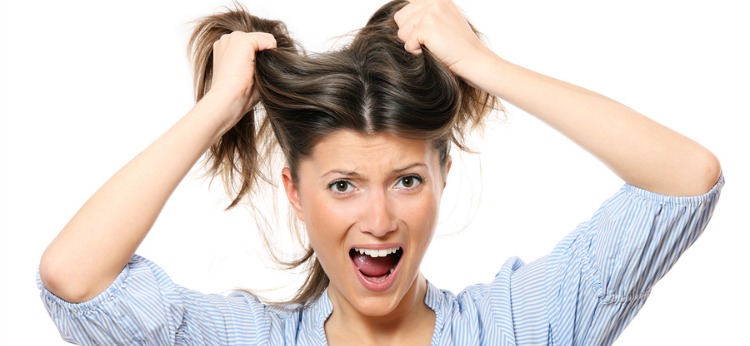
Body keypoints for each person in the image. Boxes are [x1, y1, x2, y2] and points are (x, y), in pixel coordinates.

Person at [37, 0, 723, 344]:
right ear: (295, 195)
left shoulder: (517, 325)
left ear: (442, 178)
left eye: (406, 180)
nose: (379, 219)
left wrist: (488, 69)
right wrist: (216, 111)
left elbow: (685, 178)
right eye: (342, 186)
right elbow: (75, 281)